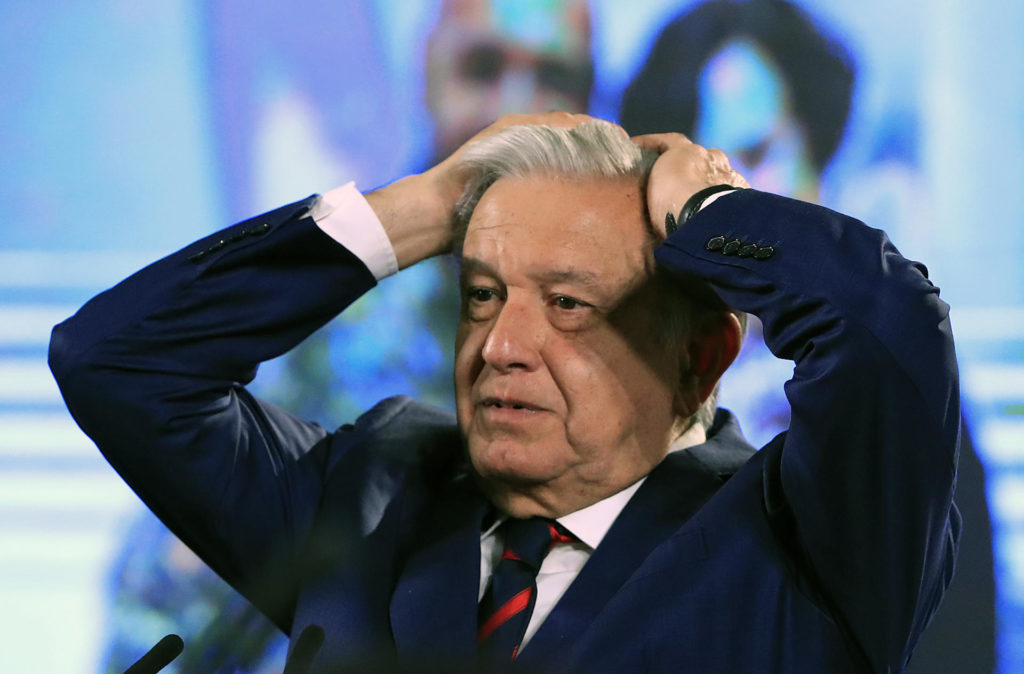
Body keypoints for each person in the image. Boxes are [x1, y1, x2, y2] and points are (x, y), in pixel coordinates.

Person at [50, 112, 960, 672]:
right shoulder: (372, 489)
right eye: (483, 296)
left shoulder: (812, 540)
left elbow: (888, 324)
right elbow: (117, 360)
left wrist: (709, 214)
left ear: (702, 359)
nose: (501, 346)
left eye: (568, 305)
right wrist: (422, 207)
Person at [621, 3, 994, 670]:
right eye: (699, 181)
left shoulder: (898, 395)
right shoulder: (628, 409)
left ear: (817, 156)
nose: (730, 203)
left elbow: (961, 641)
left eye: (758, 155)